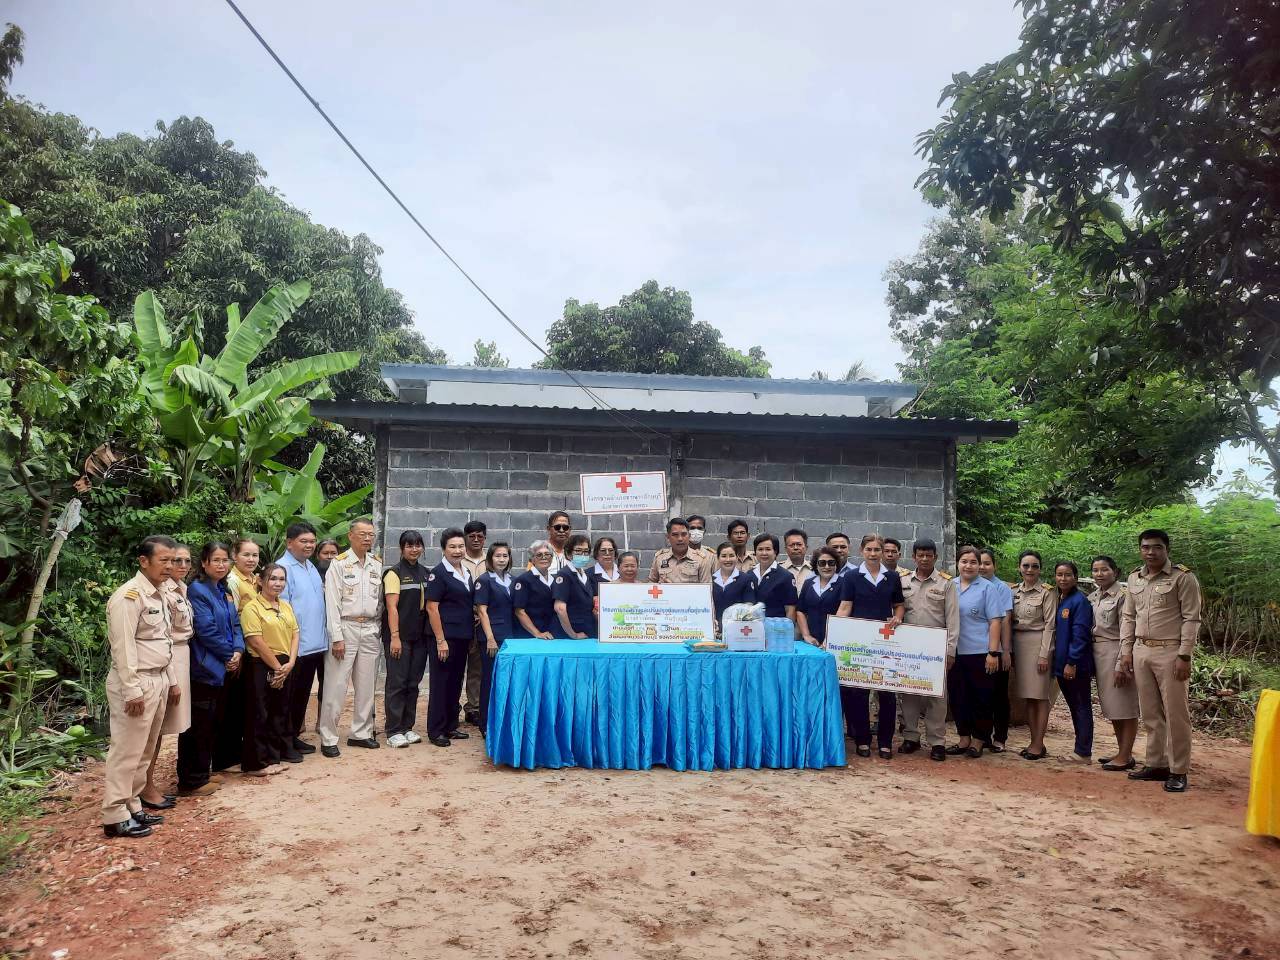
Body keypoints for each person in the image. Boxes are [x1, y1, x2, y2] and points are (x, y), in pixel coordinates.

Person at [101, 536, 178, 838]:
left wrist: (169, 680)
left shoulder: (158, 593)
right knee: (127, 750)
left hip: (156, 678)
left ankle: (132, 805)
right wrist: (132, 689)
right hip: (136, 682)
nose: (170, 566)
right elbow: (123, 648)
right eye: (164, 561)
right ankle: (114, 813)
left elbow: (163, 640)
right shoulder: (128, 597)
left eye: (173, 560)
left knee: (145, 749)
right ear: (143, 561)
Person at [1120, 529, 1202, 793]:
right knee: (1151, 712)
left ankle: (1179, 770)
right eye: (1145, 547)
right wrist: (1126, 650)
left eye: (1156, 547)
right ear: (1140, 549)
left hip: (1170, 652)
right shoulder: (1134, 578)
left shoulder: (1183, 578)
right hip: (1141, 650)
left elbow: (1192, 618)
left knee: (1176, 713)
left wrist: (1184, 655)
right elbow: (1129, 616)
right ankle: (1156, 763)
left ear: (1166, 549)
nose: (1150, 552)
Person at [178, 542, 244, 797]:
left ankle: (203, 771)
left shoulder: (223, 589)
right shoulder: (198, 590)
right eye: (215, 560)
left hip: (225, 665)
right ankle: (190, 780)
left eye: (225, 560)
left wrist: (238, 651)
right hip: (206, 667)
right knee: (199, 726)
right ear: (204, 563)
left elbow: (235, 623)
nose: (221, 564)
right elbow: (205, 630)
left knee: (214, 723)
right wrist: (229, 655)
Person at [835, 534, 905, 759]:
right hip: (860, 642)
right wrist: (834, 632)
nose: (873, 554)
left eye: (877, 550)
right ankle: (863, 740)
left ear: (883, 551)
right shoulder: (852, 577)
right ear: (862, 551)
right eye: (869, 550)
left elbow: (899, 605)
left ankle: (885, 742)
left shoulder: (892, 577)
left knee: (887, 694)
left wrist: (898, 618)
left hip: (885, 643)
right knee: (858, 694)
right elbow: (845, 607)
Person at [319, 518, 383, 758]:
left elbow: (379, 603)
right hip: (345, 628)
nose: (368, 538)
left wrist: (377, 627)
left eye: (371, 534)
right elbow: (332, 603)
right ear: (351, 536)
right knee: (336, 685)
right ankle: (328, 736)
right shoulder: (339, 564)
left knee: (366, 686)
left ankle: (361, 733)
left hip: (369, 629)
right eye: (363, 534)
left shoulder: (376, 564)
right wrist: (336, 637)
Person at [139, 543, 194, 810]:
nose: (178, 566)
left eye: (184, 561)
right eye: (173, 561)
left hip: (180, 658)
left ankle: (146, 784)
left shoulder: (181, 588)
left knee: (162, 727)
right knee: (155, 729)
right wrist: (172, 678)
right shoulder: (158, 591)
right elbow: (165, 638)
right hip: (167, 662)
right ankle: (144, 786)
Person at [898, 538, 958, 762]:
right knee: (909, 694)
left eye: (929, 555)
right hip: (908, 647)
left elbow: (953, 619)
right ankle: (911, 737)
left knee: (937, 697)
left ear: (935, 557)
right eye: (920, 555)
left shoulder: (946, 584)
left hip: (935, 648)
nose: (924, 559)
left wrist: (950, 650)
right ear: (913, 557)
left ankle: (937, 742)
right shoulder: (903, 581)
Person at [240, 562, 301, 776]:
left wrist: (291, 663)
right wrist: (277, 668)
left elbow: (295, 634)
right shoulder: (252, 608)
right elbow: (255, 641)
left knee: (279, 712)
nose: (277, 583)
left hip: (285, 663)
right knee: (260, 712)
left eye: (281, 579)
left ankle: (273, 757)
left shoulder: (285, 605)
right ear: (260, 581)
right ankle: (255, 763)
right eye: (273, 578)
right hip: (262, 664)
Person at [946, 546, 1006, 758]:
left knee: (981, 698)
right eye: (964, 561)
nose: (968, 566)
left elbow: (996, 621)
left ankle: (979, 740)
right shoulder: (949, 585)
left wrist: (993, 652)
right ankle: (963, 738)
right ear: (957, 563)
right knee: (958, 697)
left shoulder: (987, 588)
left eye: (973, 562)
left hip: (980, 652)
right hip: (954, 652)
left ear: (979, 565)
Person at [277, 522, 325, 757]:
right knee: (288, 698)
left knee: (302, 696)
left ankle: (293, 736)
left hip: (314, 645)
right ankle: (283, 743)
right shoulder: (282, 568)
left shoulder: (310, 566)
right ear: (289, 543)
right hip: (294, 646)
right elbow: (282, 609)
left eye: (312, 541)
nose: (309, 545)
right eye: (303, 541)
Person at [1090, 555, 1139, 771]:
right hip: (1099, 654)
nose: (1100, 574)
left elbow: (1127, 632)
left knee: (1125, 706)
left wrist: (1122, 663)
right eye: (1095, 570)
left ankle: (1126, 755)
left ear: (1115, 572)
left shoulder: (1124, 596)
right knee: (1112, 706)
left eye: (1104, 570)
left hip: (1117, 652)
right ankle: (1122, 751)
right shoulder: (1093, 597)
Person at [426, 528, 474, 747]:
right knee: (441, 683)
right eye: (452, 547)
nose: (457, 550)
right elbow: (432, 608)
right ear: (444, 549)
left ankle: (451, 726)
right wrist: (440, 640)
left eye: (460, 546)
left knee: (455, 682)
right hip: (445, 638)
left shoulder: (466, 572)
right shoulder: (438, 574)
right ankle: (436, 730)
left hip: (462, 637)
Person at [382, 530, 430, 748]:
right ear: (401, 548)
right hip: (399, 637)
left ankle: (407, 727)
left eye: (418, 545)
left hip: (419, 637)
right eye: (409, 545)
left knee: (413, 683)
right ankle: (393, 730)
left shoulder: (425, 573)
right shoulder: (394, 573)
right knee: (397, 683)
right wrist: (394, 637)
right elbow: (392, 608)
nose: (414, 549)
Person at [214, 538, 259, 773]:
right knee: (230, 706)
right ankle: (225, 758)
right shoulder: (232, 581)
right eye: (246, 555)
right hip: (236, 650)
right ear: (235, 556)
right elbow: (231, 619)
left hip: (247, 649)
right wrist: (235, 652)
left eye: (255, 555)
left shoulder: (253, 579)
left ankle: (234, 753)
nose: (251, 560)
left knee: (241, 704)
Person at [1011, 550, 1057, 761]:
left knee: (1040, 697)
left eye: (1035, 566)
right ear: (1019, 567)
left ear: (1040, 569)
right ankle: (1033, 740)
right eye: (1026, 565)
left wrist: (1044, 654)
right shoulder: (1013, 591)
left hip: (1038, 644)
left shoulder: (1047, 593)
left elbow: (1050, 625)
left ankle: (1038, 743)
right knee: (1029, 697)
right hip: (1019, 645)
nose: (1030, 570)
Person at [1052, 561, 1095, 762]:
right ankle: (1081, 748)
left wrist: (1072, 662)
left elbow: (1080, 635)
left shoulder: (1080, 601)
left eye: (1068, 575)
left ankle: (1083, 752)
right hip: (1061, 664)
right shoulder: (1060, 599)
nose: (1063, 579)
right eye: (1059, 575)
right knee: (1074, 706)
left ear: (1076, 578)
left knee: (1081, 706)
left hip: (1074, 665)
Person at [475, 542, 515, 738]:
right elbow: (482, 611)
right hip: (492, 638)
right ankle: (485, 724)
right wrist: (490, 639)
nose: (501, 559)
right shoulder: (484, 580)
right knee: (489, 680)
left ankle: (502, 720)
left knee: (506, 680)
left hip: (510, 637)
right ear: (490, 558)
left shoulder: (512, 580)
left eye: (505, 556)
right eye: (498, 556)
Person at [978, 549, 1013, 751]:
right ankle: (982, 736)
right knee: (981, 695)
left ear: (994, 566)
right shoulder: (965, 584)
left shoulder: (1001, 588)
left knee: (998, 695)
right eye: (979, 563)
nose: (982, 567)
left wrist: (1005, 650)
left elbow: (1006, 620)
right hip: (975, 648)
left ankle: (1000, 737)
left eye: (987, 563)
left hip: (997, 650)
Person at [460, 520, 488, 727]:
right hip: (463, 620)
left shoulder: (492, 559)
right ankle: (452, 707)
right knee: (458, 665)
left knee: (477, 667)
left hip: (484, 622)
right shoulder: (458, 559)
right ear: (465, 538)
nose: (476, 540)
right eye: (472, 536)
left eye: (480, 536)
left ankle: (474, 707)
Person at [312, 538, 340, 717]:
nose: (329, 557)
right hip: (311, 635)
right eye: (325, 553)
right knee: (304, 679)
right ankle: (299, 723)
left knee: (326, 679)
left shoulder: (342, 574)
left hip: (332, 635)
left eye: (333, 553)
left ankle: (321, 720)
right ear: (318, 555)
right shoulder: (311, 574)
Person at [796, 546, 843, 647]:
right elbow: (800, 610)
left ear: (836, 564)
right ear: (816, 565)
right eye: (822, 563)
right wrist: (806, 635)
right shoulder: (808, 583)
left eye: (831, 562)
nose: (826, 566)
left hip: (836, 641)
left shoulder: (844, 584)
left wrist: (829, 639)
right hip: (811, 642)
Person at [553, 534, 598, 639]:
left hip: (586, 629)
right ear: (568, 554)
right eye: (578, 551)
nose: (583, 555)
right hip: (569, 634)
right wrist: (573, 634)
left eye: (586, 551)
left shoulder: (584, 574)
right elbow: (560, 608)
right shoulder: (564, 575)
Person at [648, 517, 715, 584]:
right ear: (668, 537)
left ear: (689, 536)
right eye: (675, 535)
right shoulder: (660, 558)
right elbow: (651, 582)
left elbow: (706, 588)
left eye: (684, 534)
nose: (680, 539)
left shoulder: (701, 559)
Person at [748, 533, 798, 620]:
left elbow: (790, 610)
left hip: (776, 629)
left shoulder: (785, 577)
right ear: (755, 552)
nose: (764, 553)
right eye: (760, 549)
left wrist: (787, 630)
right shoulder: (749, 574)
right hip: (751, 629)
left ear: (775, 552)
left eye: (768, 549)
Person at [711, 542, 752, 634]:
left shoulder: (745, 579)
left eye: (731, 555)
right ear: (718, 558)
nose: (728, 559)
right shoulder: (711, 580)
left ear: (737, 557)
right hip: (714, 630)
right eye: (724, 556)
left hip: (737, 631)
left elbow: (749, 607)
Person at [780, 529, 813, 593]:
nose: (795, 548)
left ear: (806, 547)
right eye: (791, 545)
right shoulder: (778, 569)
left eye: (799, 544)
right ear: (786, 549)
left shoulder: (815, 569)